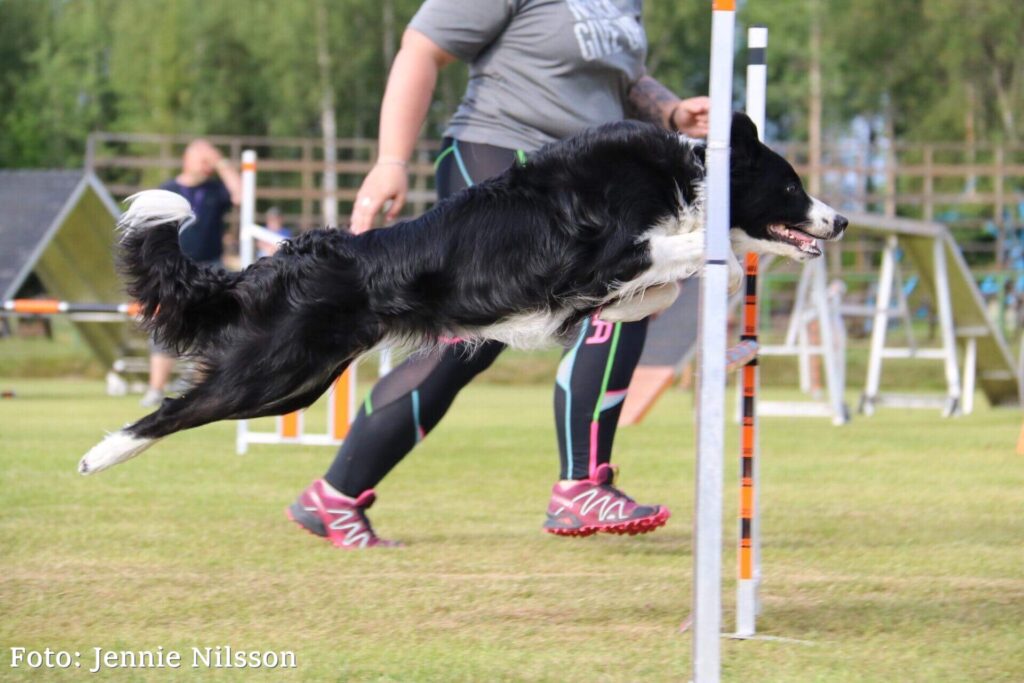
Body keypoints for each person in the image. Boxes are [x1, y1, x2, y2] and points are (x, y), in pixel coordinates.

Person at [287, 0, 710, 548]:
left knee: (483, 337)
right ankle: (581, 485)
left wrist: (671, 112)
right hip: (497, 155)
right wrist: (391, 160)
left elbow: (620, 80)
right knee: (617, 284)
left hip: (582, 181)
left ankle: (335, 496)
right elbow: (421, 48)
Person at [141, 139, 241, 407]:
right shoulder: (167, 190)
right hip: (174, 268)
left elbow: (240, 194)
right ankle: (155, 388)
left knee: (212, 328)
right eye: (203, 159)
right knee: (164, 324)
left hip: (211, 267)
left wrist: (220, 160)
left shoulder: (215, 191)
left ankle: (198, 389)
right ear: (188, 159)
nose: (207, 165)